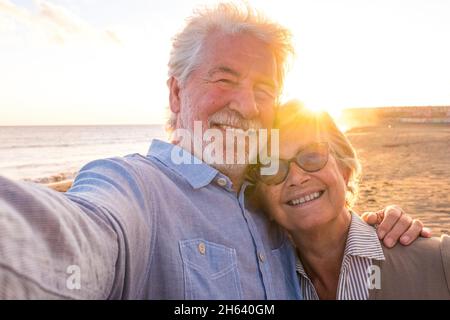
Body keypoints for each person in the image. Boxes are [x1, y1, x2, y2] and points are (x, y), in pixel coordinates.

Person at [0, 3, 428, 299]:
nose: (245, 105)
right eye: (223, 80)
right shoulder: (137, 190)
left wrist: (380, 231)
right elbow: (79, 235)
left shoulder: (272, 201)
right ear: (176, 92)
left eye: (264, 90)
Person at [249, 100, 450, 299]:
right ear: (262, 198)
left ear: (345, 172)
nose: (296, 177)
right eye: (272, 167)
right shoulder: (268, 288)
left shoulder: (439, 263)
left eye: (312, 156)